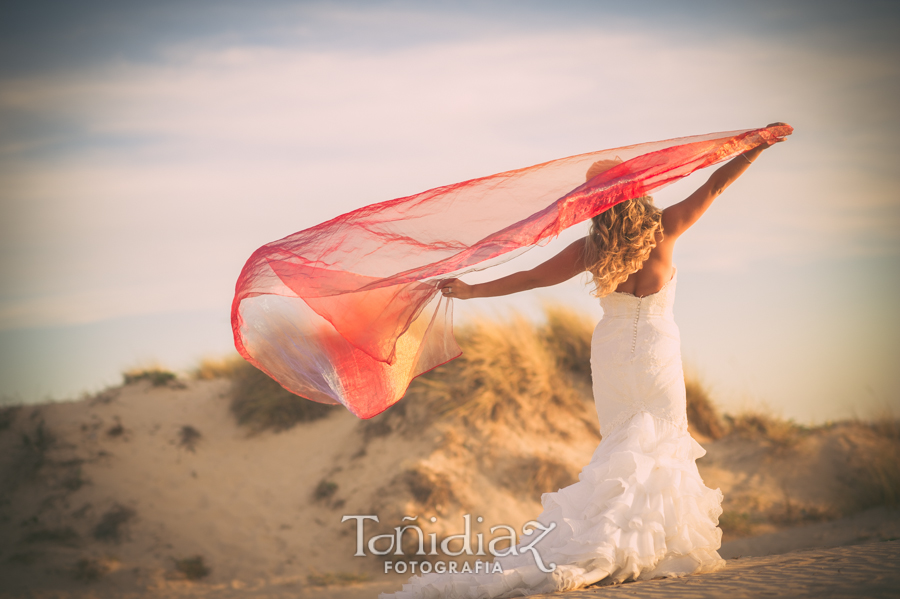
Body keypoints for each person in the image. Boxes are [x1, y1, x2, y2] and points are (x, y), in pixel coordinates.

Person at [380, 124, 788, 598]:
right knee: (660, 442)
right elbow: (715, 183)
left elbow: (531, 279)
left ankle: (608, 540)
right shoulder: (665, 229)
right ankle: (651, 544)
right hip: (656, 350)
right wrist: (755, 147)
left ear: (596, 204)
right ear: (638, 194)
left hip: (612, 353)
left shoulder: (590, 251)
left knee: (621, 447)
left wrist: (472, 291)